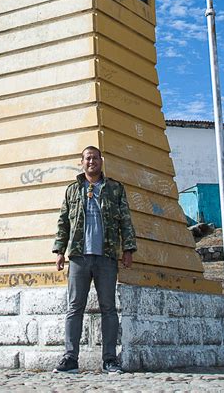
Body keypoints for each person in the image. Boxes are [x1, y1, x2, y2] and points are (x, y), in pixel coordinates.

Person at [52, 145, 137, 374]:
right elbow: (63, 222)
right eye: (88, 158)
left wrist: (128, 249)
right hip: (79, 256)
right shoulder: (72, 190)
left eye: (95, 158)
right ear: (82, 162)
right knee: (74, 308)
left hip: (106, 256)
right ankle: (70, 358)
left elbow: (125, 221)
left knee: (108, 308)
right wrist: (59, 251)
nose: (92, 162)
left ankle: (110, 359)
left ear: (101, 161)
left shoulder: (115, 189)